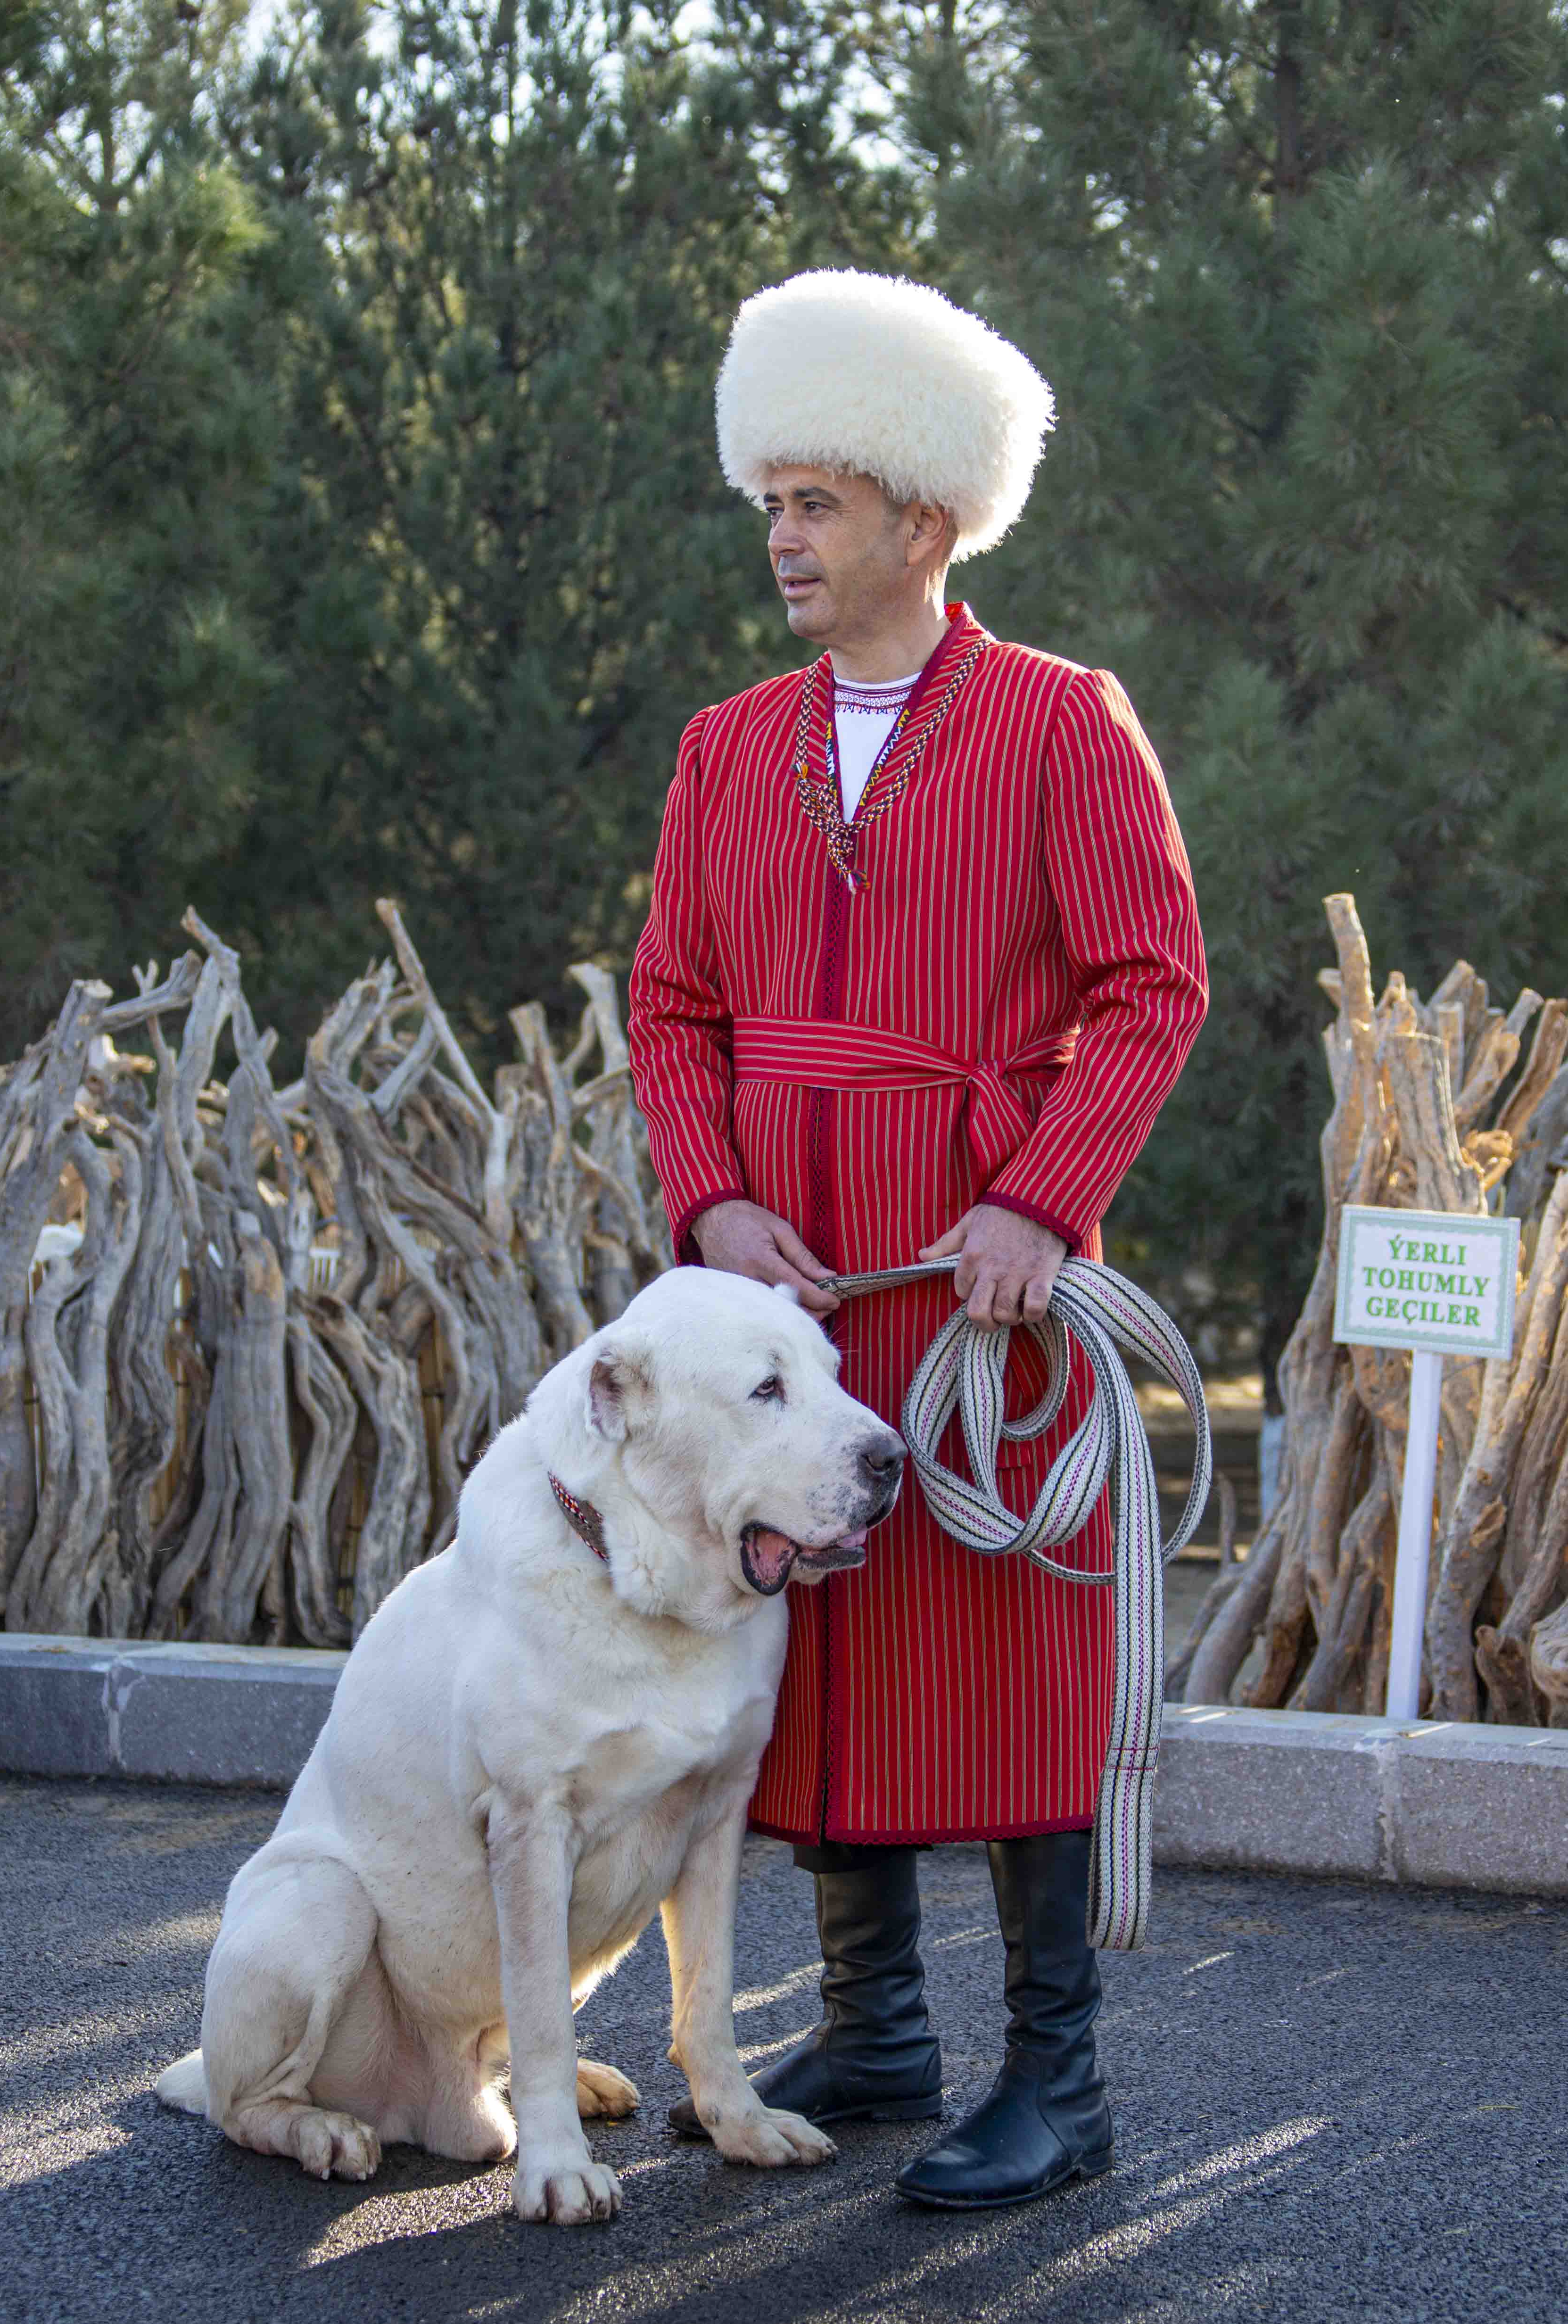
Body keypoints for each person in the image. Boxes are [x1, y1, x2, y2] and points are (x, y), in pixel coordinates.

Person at [626, 268, 1207, 2210]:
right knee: (824, 1617)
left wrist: (1041, 1199)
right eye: (768, 501)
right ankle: (876, 2028)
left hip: (987, 1279)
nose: (780, 537)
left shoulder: (1060, 723)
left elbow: (1149, 986)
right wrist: (708, 1200)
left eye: (817, 502)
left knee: (1015, 1636)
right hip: (781, 1283)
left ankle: (1062, 2085)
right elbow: (673, 1011)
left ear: (923, 523)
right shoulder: (726, 748)